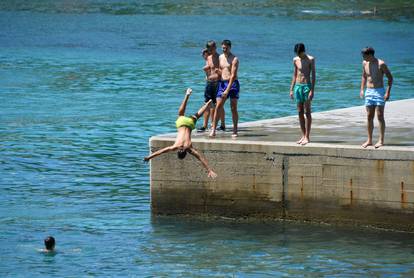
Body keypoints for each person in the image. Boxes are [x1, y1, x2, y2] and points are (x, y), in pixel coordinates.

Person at [144, 88, 217, 178]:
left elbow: (201, 158)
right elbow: (160, 152)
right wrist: (148, 157)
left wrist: (209, 170)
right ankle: (187, 95)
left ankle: (207, 104)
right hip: (181, 123)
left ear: (186, 153)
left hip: (189, 123)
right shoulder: (175, 147)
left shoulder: (189, 148)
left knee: (197, 115)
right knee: (181, 114)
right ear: (178, 151)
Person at [360, 46, 393, 149]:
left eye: (364, 56)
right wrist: (362, 89)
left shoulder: (381, 64)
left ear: (370, 55)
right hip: (369, 91)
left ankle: (381, 140)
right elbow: (364, 76)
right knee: (369, 116)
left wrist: (387, 92)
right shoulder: (365, 63)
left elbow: (390, 78)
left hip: (379, 91)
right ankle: (369, 140)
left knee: (380, 116)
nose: (363, 58)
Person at [209, 39, 240, 137]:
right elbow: (222, 70)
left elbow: (233, 75)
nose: (224, 50)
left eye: (226, 48)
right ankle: (213, 129)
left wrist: (227, 89)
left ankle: (235, 130)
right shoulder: (220, 57)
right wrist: (218, 73)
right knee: (218, 106)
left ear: (230, 47)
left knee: (233, 107)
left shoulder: (234, 59)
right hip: (222, 83)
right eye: (222, 48)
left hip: (233, 84)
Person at [289, 43, 316, 146]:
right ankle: (303, 135)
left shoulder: (311, 59)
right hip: (298, 86)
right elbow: (294, 75)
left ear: (304, 51)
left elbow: (313, 75)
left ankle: (307, 137)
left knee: (307, 111)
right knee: (299, 111)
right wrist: (291, 89)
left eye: (300, 53)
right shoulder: (295, 60)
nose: (299, 55)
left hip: (306, 86)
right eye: (297, 53)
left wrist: (312, 90)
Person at [198, 41, 225, 132]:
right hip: (209, 83)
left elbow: (224, 72)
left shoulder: (220, 57)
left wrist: (219, 73)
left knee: (218, 105)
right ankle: (204, 125)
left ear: (215, 47)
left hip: (218, 82)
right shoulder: (208, 57)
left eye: (212, 48)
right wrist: (206, 69)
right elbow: (209, 67)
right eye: (209, 49)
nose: (211, 50)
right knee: (207, 104)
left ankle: (222, 125)